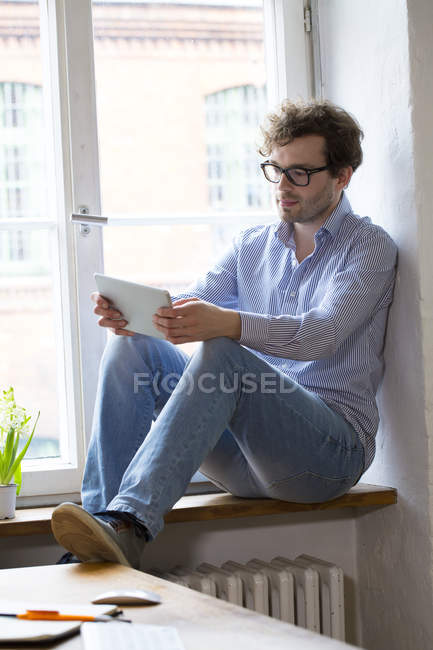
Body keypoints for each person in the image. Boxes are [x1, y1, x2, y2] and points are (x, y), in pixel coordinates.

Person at [51, 100, 397, 570]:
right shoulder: (253, 246)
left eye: (300, 173)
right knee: (135, 348)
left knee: (223, 351)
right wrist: (135, 316)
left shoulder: (369, 247)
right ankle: (99, 528)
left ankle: (131, 524)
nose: (283, 186)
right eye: (275, 170)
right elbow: (189, 308)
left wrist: (229, 325)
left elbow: (321, 335)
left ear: (342, 176)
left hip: (326, 456)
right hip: (246, 456)